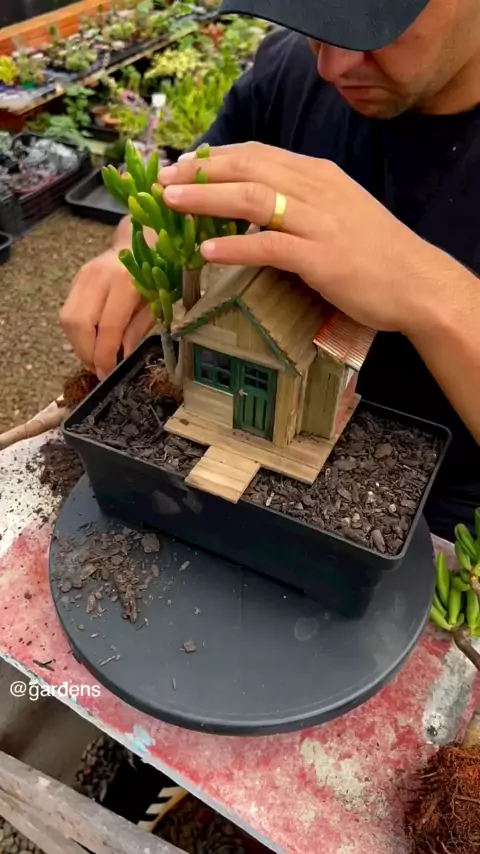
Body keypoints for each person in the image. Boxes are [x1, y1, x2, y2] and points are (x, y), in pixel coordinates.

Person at [61, 0, 480, 539]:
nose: (332, 67)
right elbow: (181, 196)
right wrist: (138, 251)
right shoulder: (287, 72)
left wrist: (427, 287)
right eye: (316, 24)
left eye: (378, 24)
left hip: (432, 520)